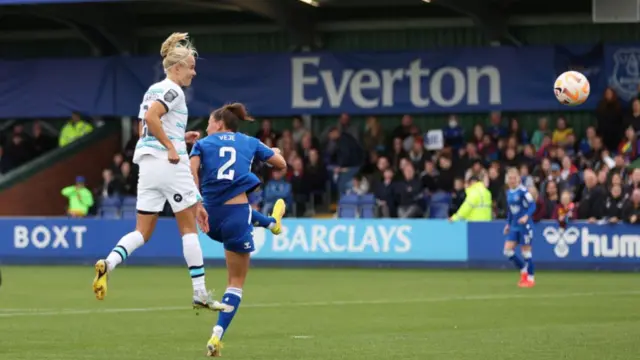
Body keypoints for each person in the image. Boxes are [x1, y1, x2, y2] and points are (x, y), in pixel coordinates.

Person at [92, 33, 221, 312]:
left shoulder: (152, 90)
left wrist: (178, 136)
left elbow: (144, 128)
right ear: (176, 68)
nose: (193, 72)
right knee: (189, 229)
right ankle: (200, 291)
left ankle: (109, 263)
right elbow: (152, 119)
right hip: (169, 163)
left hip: (148, 165)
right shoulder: (173, 90)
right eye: (190, 66)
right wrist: (172, 148)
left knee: (142, 231)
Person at [189, 103, 287, 357]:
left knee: (241, 213)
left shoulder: (201, 144)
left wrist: (197, 204)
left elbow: (191, 176)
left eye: (209, 123)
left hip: (209, 218)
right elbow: (281, 164)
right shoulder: (249, 141)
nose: (207, 127)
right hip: (236, 218)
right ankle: (216, 336)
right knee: (235, 283)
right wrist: (270, 152)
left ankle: (270, 223)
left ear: (219, 124)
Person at [503, 168, 536, 288]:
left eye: (514, 178)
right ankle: (523, 269)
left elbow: (533, 205)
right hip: (514, 226)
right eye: (510, 178)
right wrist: (508, 224)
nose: (512, 180)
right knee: (507, 251)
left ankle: (531, 278)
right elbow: (511, 211)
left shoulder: (523, 191)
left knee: (526, 252)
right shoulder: (509, 193)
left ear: (518, 178)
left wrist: (526, 216)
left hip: (525, 226)